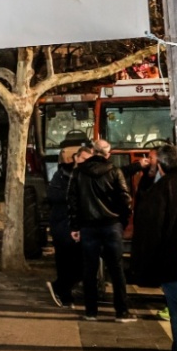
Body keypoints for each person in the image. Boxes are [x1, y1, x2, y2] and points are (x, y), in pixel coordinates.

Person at [130, 144, 177, 351]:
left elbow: (150, 231)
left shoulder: (162, 191)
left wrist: (143, 266)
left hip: (172, 262)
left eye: (152, 159)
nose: (148, 162)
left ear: (162, 165)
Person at [68, 138, 135, 322]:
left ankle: (91, 311)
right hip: (111, 225)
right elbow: (125, 199)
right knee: (116, 268)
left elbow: (73, 201)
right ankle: (122, 311)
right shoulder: (115, 171)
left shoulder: (79, 172)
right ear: (107, 154)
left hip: (88, 226)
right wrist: (121, 220)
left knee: (89, 269)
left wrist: (75, 226)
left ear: (92, 151)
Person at [46, 144, 89, 308]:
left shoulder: (84, 176)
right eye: (83, 158)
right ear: (76, 158)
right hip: (63, 225)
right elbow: (52, 195)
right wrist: (73, 196)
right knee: (65, 262)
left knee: (79, 263)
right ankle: (64, 295)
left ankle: (60, 288)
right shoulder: (61, 175)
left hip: (77, 226)